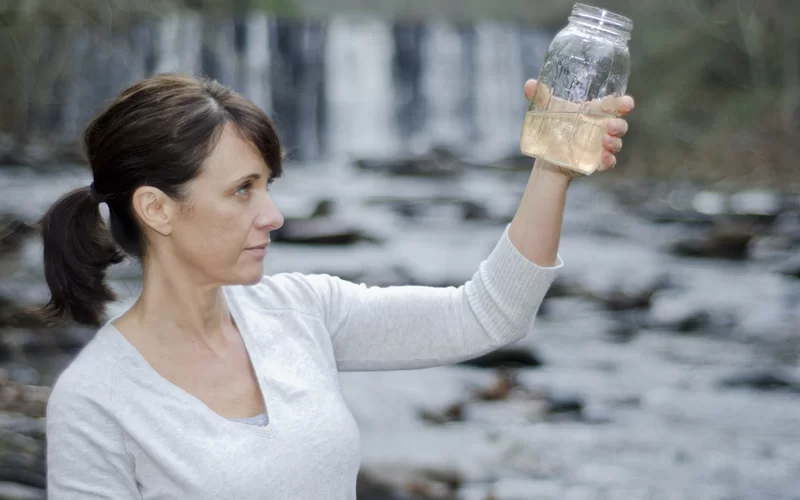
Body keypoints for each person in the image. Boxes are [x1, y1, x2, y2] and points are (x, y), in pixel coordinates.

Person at [42, 73, 632, 499]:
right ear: (157, 209)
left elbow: (486, 315)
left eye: (268, 184)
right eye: (243, 189)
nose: (273, 214)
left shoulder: (301, 310)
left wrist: (551, 171)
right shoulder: (95, 402)